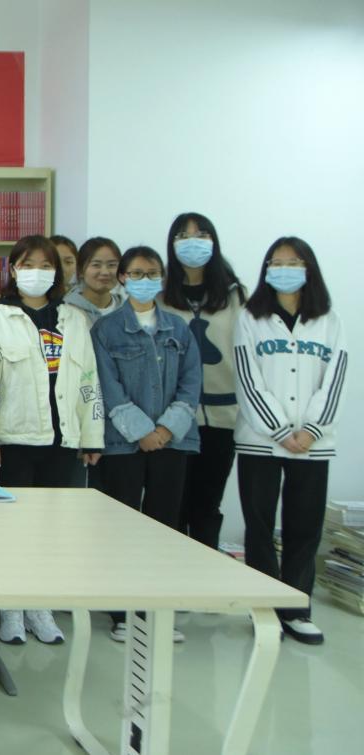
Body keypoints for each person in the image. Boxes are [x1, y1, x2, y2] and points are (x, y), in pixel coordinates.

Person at [0, 234, 103, 646]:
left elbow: (88, 380)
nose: (37, 273)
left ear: (57, 272)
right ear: (13, 269)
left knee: (51, 530)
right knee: (12, 530)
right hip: (13, 439)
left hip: (64, 441)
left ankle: (40, 607)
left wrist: (92, 436)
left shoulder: (74, 319)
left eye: (46, 266)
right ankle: (11, 608)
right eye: (28, 265)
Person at [234, 236, 346, 646]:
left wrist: (312, 429)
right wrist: (281, 429)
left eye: (293, 262)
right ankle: (264, 609)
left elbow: (336, 378)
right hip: (260, 440)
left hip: (314, 443)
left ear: (308, 268)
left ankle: (297, 610)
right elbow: (247, 378)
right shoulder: (251, 317)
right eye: (276, 262)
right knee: (260, 526)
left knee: (305, 526)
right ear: (266, 269)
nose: (284, 269)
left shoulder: (329, 320)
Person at [91, 245, 201, 642]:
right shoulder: (106, 330)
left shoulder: (179, 328)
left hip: (173, 442)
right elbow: (107, 385)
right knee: (122, 528)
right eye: (136, 273)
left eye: (151, 273)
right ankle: (123, 613)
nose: (144, 280)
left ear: (162, 279)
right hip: (123, 444)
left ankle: (156, 612)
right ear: (122, 278)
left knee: (163, 527)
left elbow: (191, 382)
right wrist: (141, 431)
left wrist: (167, 429)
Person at [159, 212, 249, 552]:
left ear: (213, 241)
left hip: (223, 416)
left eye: (201, 235)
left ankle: (206, 570)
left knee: (207, 503)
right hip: (174, 418)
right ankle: (172, 573)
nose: (192, 242)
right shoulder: (160, 295)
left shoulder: (236, 296)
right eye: (183, 236)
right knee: (174, 503)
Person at [64, 237, 125, 324]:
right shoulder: (66, 311)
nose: (105, 272)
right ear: (80, 271)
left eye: (111, 265)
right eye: (96, 265)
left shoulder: (128, 310)